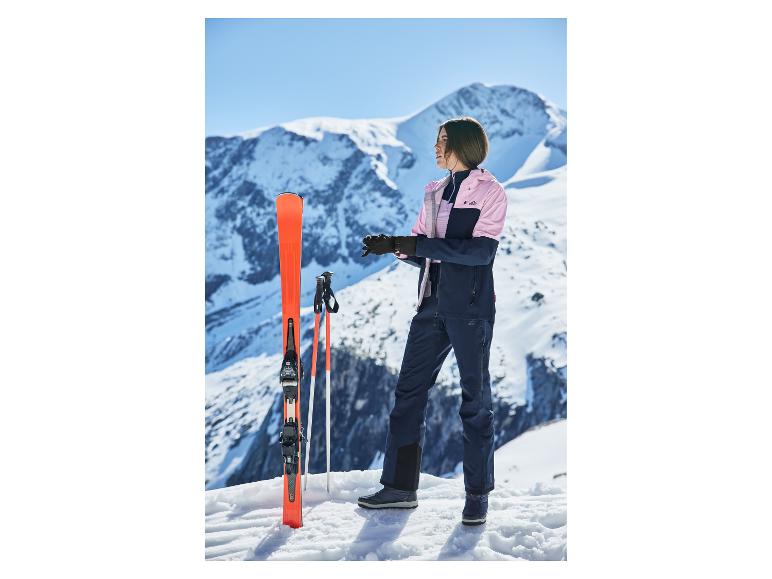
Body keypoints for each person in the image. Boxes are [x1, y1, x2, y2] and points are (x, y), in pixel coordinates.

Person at [358, 117, 507, 526]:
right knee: (408, 394)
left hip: (470, 310)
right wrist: (395, 247)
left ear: (464, 145)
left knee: (475, 404)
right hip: (431, 305)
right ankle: (400, 488)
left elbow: (480, 253)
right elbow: (428, 251)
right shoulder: (434, 192)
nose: (437, 148)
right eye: (437, 140)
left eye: (444, 141)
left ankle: (477, 496)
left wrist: (416, 244)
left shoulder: (490, 192)